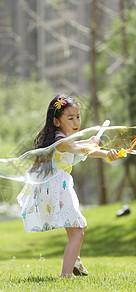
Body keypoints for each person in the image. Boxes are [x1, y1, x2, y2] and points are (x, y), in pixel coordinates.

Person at [17, 94, 118, 278]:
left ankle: (75, 262)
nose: (76, 121)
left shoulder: (61, 138)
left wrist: (89, 142)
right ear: (56, 121)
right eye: (70, 118)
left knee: (78, 228)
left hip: (57, 187)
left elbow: (77, 145)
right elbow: (75, 149)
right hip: (58, 188)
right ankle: (65, 275)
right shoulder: (61, 141)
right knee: (78, 230)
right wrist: (104, 154)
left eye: (77, 117)